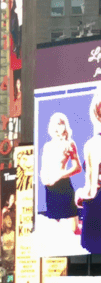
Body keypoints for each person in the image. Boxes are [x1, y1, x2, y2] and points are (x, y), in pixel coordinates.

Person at [40, 112, 82, 231]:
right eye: (56, 124)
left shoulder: (69, 144)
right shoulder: (47, 146)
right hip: (50, 189)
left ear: (65, 126)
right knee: (54, 230)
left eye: (61, 123)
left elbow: (77, 167)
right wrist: (45, 181)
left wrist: (60, 175)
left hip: (64, 187)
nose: (58, 127)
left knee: (73, 230)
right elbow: (44, 168)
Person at [76, 90, 101, 254]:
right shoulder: (91, 144)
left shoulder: (92, 144)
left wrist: (79, 195)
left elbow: (91, 190)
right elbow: (91, 187)